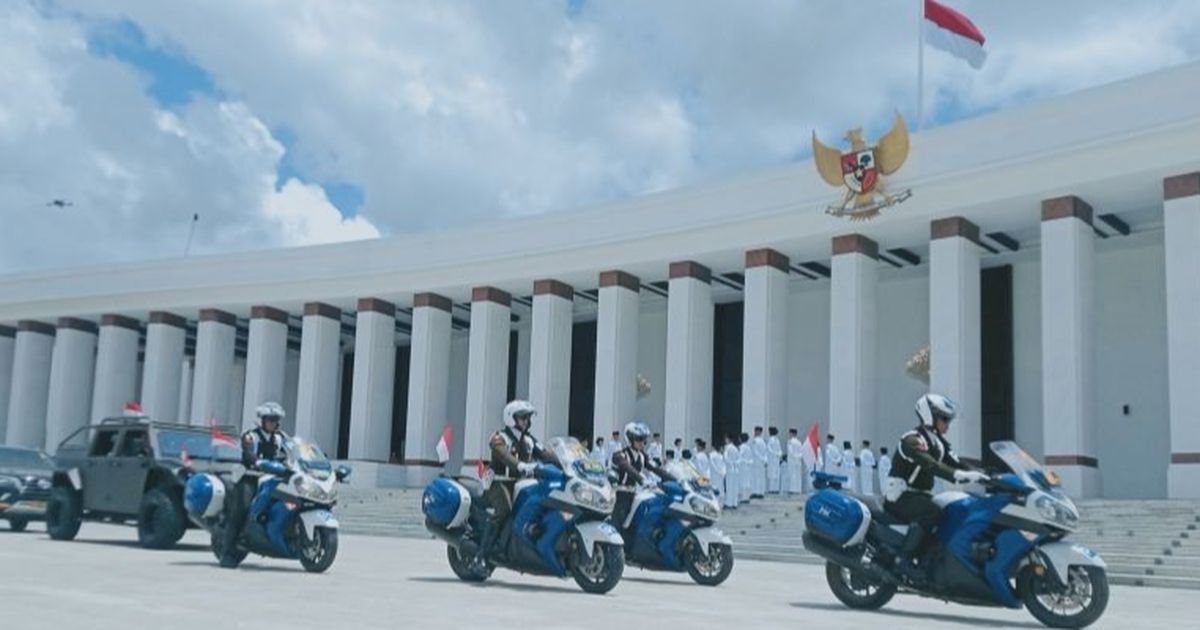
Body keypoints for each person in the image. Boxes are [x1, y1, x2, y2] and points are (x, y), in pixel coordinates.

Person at [884, 393, 988, 579]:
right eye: (944, 419)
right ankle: (903, 560)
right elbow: (930, 464)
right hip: (901, 497)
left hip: (920, 496)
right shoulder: (912, 440)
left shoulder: (938, 442)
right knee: (932, 512)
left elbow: (957, 462)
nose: (947, 424)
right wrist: (957, 476)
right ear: (929, 415)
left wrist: (986, 475)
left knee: (951, 512)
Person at [476, 400, 561, 564]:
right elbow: (503, 455)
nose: (526, 422)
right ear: (511, 418)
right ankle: (481, 556)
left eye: (528, 418)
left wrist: (565, 463)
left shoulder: (528, 440)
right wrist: (520, 465)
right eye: (522, 417)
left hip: (522, 483)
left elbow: (545, 454)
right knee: (504, 510)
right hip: (500, 483)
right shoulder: (499, 438)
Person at [221, 401, 289, 568]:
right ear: (261, 420)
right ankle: (227, 554)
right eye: (271, 419)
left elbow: (293, 450)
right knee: (242, 510)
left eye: (276, 420)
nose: (274, 423)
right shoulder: (251, 436)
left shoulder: (281, 437)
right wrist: (258, 462)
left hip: (271, 478)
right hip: (250, 477)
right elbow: (249, 455)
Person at [611, 422, 673, 527]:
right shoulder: (620, 455)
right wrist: (642, 480)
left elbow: (656, 469)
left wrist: (677, 480)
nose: (642, 443)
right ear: (630, 439)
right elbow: (628, 468)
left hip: (635, 494)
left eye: (644, 440)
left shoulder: (642, 456)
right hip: (621, 495)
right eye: (639, 439)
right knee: (621, 521)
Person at [722, 434, 740, 509]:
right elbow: (739, 459)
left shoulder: (727, 448)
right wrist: (734, 463)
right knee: (735, 487)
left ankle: (729, 503)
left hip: (729, 469)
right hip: (736, 469)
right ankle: (734, 503)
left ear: (728, 439)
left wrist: (730, 463)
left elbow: (725, 458)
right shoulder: (735, 448)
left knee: (729, 486)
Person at [751, 427, 768, 499]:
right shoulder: (763, 441)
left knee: (756, 477)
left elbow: (755, 452)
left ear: (757, 432)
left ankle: (756, 492)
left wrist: (761, 459)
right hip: (762, 462)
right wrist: (765, 460)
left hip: (756, 462)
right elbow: (765, 452)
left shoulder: (755, 441)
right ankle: (761, 492)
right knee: (761, 477)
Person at [766, 427, 783, 494]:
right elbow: (779, 450)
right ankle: (775, 489)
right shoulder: (777, 440)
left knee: (772, 475)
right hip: (776, 459)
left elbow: (769, 449)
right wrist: (779, 454)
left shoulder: (770, 440)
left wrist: (776, 454)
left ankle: (772, 489)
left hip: (772, 459)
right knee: (775, 474)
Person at [786, 428, 803, 495]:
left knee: (792, 475)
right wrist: (798, 457)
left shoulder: (790, 441)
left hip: (792, 461)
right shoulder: (799, 442)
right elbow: (802, 453)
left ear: (791, 433)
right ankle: (798, 489)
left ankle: (792, 489)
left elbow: (790, 452)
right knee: (798, 476)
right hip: (798, 461)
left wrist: (795, 457)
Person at [738, 433, 754, 502]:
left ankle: (743, 498)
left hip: (742, 467)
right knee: (747, 482)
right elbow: (751, 458)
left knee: (742, 482)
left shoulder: (742, 447)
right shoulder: (748, 447)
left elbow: (739, 457)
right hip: (748, 467)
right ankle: (747, 497)